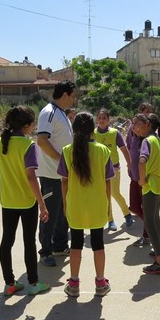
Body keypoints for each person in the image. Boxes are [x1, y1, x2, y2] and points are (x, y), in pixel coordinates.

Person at [0, 106, 51, 296]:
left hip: (7, 199)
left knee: (7, 241)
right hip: (26, 201)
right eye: (33, 123)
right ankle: (33, 282)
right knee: (29, 242)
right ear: (27, 126)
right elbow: (30, 177)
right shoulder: (28, 145)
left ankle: (9, 283)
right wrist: (42, 204)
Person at [58, 112, 114, 297]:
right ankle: (100, 282)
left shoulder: (67, 150)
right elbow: (108, 182)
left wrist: (65, 204)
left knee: (76, 244)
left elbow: (64, 182)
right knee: (98, 243)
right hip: (98, 204)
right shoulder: (103, 151)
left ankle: (73, 283)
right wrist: (108, 206)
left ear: (74, 129)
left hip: (76, 204)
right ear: (93, 129)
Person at [36, 80, 76, 266]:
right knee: (50, 214)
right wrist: (61, 160)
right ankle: (45, 251)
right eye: (73, 95)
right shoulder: (49, 113)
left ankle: (59, 246)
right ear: (65, 95)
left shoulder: (61, 114)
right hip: (51, 174)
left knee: (62, 213)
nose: (74, 99)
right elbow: (42, 140)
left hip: (63, 175)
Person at [136, 114, 160, 275]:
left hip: (150, 186)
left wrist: (142, 180)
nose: (135, 127)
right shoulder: (156, 140)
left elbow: (142, 161)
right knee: (155, 219)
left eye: (137, 124)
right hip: (158, 185)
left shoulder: (147, 141)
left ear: (147, 124)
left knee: (149, 222)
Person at [94, 108, 133, 231]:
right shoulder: (93, 133)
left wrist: (129, 164)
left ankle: (126, 214)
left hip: (114, 167)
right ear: (96, 119)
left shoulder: (115, 133)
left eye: (104, 118)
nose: (102, 120)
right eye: (99, 118)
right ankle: (110, 220)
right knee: (104, 195)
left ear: (108, 120)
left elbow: (124, 149)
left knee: (115, 192)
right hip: (99, 170)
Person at [127, 102, 154, 246]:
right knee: (134, 207)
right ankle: (151, 224)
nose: (133, 126)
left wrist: (146, 178)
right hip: (134, 178)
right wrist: (129, 166)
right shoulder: (133, 136)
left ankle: (148, 234)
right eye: (133, 124)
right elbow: (130, 151)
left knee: (146, 209)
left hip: (144, 181)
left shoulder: (150, 139)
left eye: (136, 124)